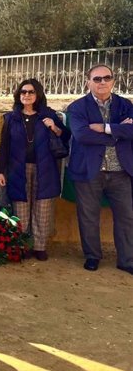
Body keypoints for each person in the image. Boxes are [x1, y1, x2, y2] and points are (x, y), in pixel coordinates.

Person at [67, 64, 133, 274]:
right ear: (88, 82)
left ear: (113, 81)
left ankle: (127, 260)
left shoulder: (125, 105)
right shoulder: (77, 108)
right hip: (88, 171)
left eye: (107, 78)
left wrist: (104, 128)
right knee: (88, 216)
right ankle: (92, 256)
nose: (102, 82)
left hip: (121, 171)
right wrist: (117, 133)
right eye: (97, 79)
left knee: (127, 216)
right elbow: (82, 135)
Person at [0, 79, 69, 261]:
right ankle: (22, 244)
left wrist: (53, 127)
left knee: (42, 207)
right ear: (18, 95)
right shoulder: (11, 118)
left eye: (30, 92)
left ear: (38, 95)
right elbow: (4, 146)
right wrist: (0, 171)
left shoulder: (48, 115)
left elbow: (66, 136)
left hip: (44, 167)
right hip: (18, 168)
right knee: (20, 207)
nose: (26, 95)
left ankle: (39, 247)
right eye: (23, 92)